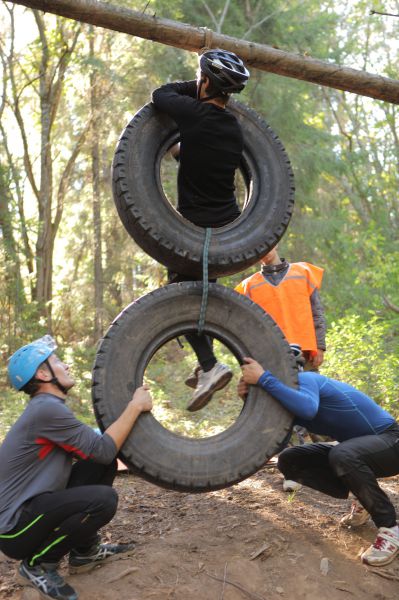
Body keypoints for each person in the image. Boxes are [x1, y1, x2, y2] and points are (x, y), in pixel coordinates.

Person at [0, 336, 153, 600]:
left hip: (36, 509)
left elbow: (99, 448)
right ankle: (36, 565)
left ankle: (85, 552)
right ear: (43, 373)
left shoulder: (47, 409)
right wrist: (135, 405)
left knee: (100, 465)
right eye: (58, 361)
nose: (66, 365)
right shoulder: (46, 410)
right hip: (16, 529)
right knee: (103, 500)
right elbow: (105, 448)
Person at [152, 49, 250, 412]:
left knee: (180, 299)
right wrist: (179, 152)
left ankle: (209, 365)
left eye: (201, 78)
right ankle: (206, 362)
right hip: (228, 229)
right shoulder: (232, 128)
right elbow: (203, 159)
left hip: (195, 229)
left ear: (206, 83)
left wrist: (194, 84)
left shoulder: (195, 114)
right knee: (198, 299)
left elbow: (160, 95)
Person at [239, 356, 399, 567]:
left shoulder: (306, 379)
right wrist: (249, 400)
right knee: (289, 460)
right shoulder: (286, 404)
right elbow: (274, 442)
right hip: (361, 451)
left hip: (391, 441)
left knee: (342, 454)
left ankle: (390, 529)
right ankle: (366, 499)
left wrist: (264, 379)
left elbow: (308, 409)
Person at [235, 245, 326, 370]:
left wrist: (320, 346)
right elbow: (247, 329)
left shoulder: (304, 272)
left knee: (308, 389)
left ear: (276, 243)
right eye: (259, 249)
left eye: (266, 246)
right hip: (271, 356)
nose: (264, 251)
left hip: (305, 353)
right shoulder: (248, 286)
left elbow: (317, 312)